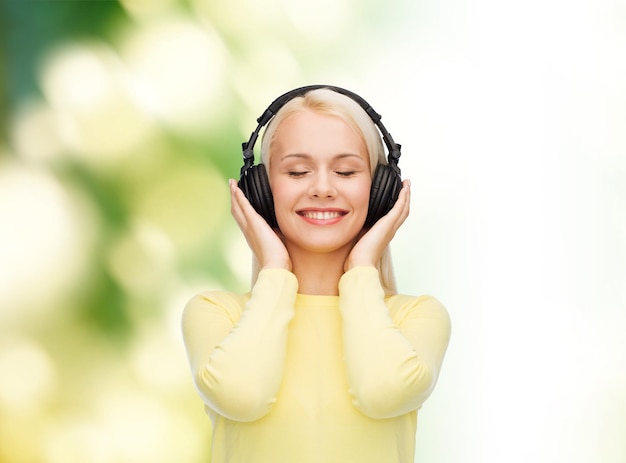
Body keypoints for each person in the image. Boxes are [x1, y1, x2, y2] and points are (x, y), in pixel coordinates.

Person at [181, 86, 451, 463]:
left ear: (380, 192)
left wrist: (361, 269)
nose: (322, 188)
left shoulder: (416, 318)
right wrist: (275, 270)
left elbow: (381, 389)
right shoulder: (216, 314)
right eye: (297, 171)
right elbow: (243, 394)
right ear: (260, 190)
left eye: (345, 171)